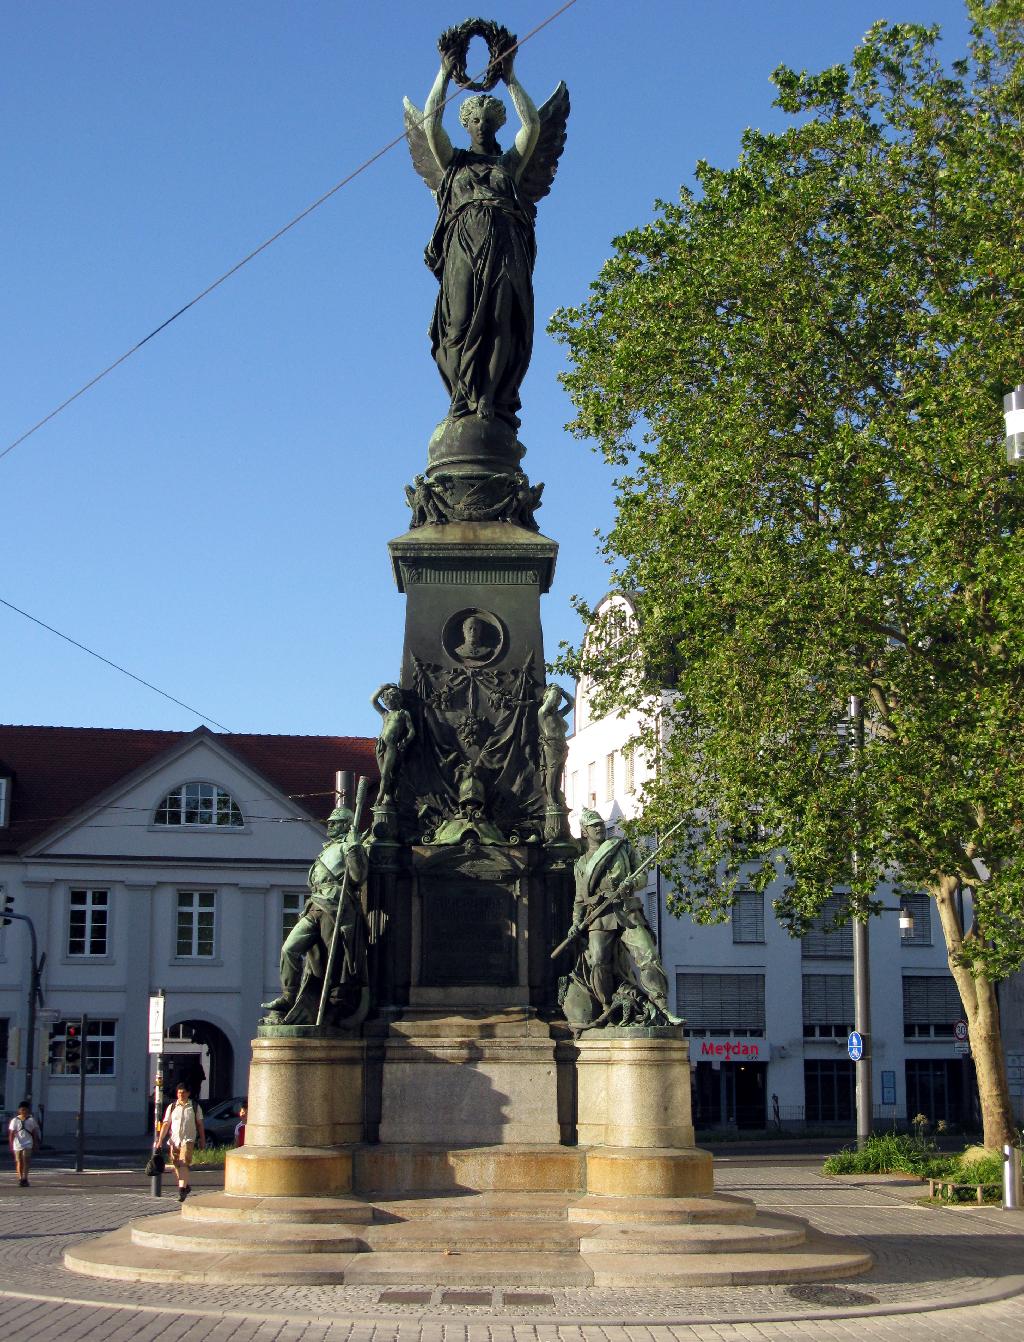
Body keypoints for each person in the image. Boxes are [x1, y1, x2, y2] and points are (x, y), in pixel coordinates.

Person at [420, 50, 540, 429]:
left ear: (498, 124)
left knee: (501, 319)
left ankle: (488, 395)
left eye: (488, 120)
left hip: (505, 242)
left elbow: (533, 127)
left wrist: (510, 77)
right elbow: (428, 125)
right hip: (463, 242)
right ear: (466, 124)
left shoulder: (508, 164)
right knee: (457, 321)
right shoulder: (453, 162)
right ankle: (462, 394)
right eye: (474, 120)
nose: (481, 126)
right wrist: (443, 73)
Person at [261, 804, 369, 1023]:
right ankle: (289, 996)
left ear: (347, 825)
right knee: (289, 949)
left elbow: (358, 877)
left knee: (332, 958)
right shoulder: (327, 848)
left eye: (335, 822)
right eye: (330, 821)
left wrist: (354, 847)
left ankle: (333, 1002)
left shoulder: (349, 846)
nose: (329, 825)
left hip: (336, 905)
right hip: (315, 904)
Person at [570, 808, 679, 1023]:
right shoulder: (581, 864)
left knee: (648, 956)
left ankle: (663, 1008)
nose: (599, 827)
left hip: (627, 911)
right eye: (593, 825)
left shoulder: (622, 848)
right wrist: (575, 922)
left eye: (600, 823)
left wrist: (631, 883)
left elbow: (642, 877)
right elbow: (579, 899)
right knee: (599, 962)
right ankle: (607, 1007)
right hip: (599, 917)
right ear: (584, 832)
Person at [155, 1082, 205, 1202]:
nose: (181, 1095)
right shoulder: (172, 1107)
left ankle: (182, 1189)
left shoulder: (194, 1106)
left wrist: (202, 1139)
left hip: (188, 1139)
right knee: (176, 1164)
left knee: (183, 1163)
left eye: (183, 1092)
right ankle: (185, 1186)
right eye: (179, 1092)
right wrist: (160, 1140)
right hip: (174, 1140)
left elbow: (200, 1124)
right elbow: (166, 1124)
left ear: (188, 1093)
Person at [370, 684, 416, 802]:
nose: (386, 704)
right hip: (380, 745)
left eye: (388, 701)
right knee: (384, 775)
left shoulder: (403, 713)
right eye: (385, 701)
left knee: (385, 774)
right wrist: (383, 687)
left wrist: (405, 741)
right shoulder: (385, 714)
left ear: (396, 699)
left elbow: (412, 731)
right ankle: (388, 796)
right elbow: (373, 700)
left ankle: (379, 799)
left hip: (391, 747)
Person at [8, 1100, 40, 1187]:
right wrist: (11, 1144)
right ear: (19, 1110)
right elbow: (11, 1134)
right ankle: (20, 1178)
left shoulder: (31, 1120)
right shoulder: (15, 1120)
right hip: (17, 1143)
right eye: (22, 1110)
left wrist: (35, 1143)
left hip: (28, 1143)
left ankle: (25, 1178)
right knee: (19, 1161)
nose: (24, 1111)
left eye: (25, 1110)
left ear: (28, 1110)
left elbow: (34, 1133)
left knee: (26, 1160)